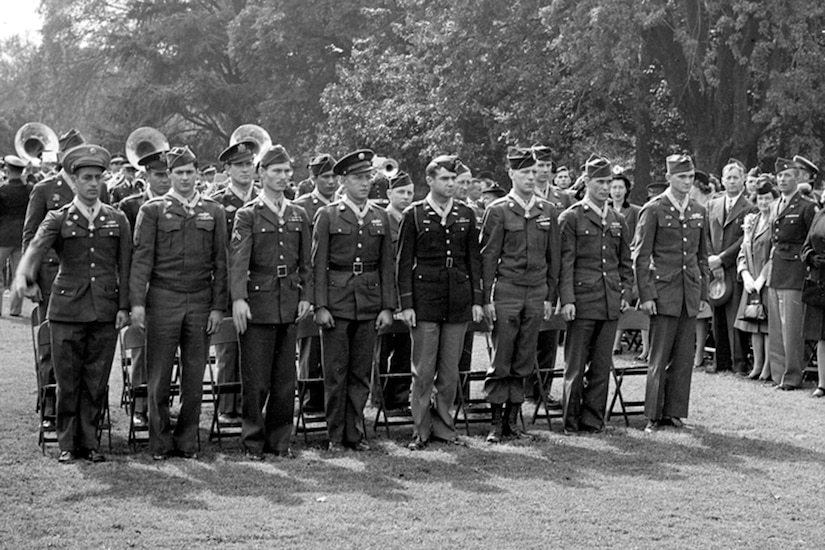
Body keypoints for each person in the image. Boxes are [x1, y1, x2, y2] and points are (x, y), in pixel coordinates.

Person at [13, 144, 131, 463]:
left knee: (96, 381)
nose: (93, 184)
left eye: (98, 178)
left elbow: (126, 266)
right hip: (66, 311)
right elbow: (36, 246)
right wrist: (25, 274)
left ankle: (89, 443)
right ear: (74, 182)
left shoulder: (117, 219)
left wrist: (124, 307)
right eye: (87, 178)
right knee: (67, 380)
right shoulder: (59, 217)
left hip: (105, 310)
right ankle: (67, 443)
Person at [130, 146, 227, 460]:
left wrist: (216, 307)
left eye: (189, 172)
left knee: (194, 375)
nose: (185, 178)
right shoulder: (153, 210)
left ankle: (187, 442)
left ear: (197, 173)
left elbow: (220, 263)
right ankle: (159, 442)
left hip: (200, 300)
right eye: (178, 172)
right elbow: (141, 261)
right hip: (163, 299)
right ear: (169, 175)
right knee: (158, 374)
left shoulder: (214, 211)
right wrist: (138, 304)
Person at [230, 145, 311, 460]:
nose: (283, 177)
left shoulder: (298, 213)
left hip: (288, 302)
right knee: (256, 379)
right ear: (261, 173)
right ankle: (253, 442)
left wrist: (306, 296)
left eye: (287, 171)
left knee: (283, 380)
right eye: (276, 171)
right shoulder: (247, 214)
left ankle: (280, 442)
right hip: (258, 302)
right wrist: (238, 299)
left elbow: (306, 263)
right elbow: (239, 260)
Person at [397, 156, 483, 450]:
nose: (450, 184)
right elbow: (404, 261)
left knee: (449, 371)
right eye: (445, 179)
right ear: (430, 181)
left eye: (453, 179)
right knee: (423, 370)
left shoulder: (466, 214)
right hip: (425, 300)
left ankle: (444, 428)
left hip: (457, 299)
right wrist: (406, 303)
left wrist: (477, 300)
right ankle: (420, 430)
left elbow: (474, 260)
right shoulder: (415, 214)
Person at [312, 149, 396, 452]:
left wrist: (388, 306)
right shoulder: (328, 214)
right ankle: (335, 435)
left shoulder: (380, 216)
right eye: (357, 178)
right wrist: (319, 305)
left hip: (369, 301)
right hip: (337, 301)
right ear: (343, 181)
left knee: (361, 372)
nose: (364, 184)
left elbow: (388, 265)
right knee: (336, 372)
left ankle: (355, 434)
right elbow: (317, 263)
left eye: (367, 178)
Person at [481, 147, 560, 443]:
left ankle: (513, 422)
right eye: (524, 172)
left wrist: (551, 296)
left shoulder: (548, 210)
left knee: (525, 356)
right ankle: (495, 422)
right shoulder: (498, 210)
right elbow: (488, 258)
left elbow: (554, 258)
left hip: (536, 292)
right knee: (502, 356)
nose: (531, 177)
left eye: (534, 171)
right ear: (511, 174)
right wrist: (485, 298)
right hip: (507, 291)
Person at [634, 154, 709, 433]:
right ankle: (654, 415)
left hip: (689, 291)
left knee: (683, 357)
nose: (687, 182)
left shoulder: (699, 210)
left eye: (690, 177)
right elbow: (641, 257)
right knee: (659, 355)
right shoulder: (654, 209)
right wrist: (646, 295)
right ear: (669, 178)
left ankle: (674, 412)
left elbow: (703, 256)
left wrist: (702, 293)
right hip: (663, 291)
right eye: (681, 177)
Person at [559, 155, 633, 433]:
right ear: (587, 182)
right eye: (600, 182)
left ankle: (593, 420)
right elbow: (565, 264)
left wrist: (626, 291)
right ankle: (571, 420)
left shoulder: (617, 219)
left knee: (602, 366)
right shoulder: (572, 217)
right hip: (581, 300)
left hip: (609, 299)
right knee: (575, 367)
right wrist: (566, 299)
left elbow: (625, 260)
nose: (605, 188)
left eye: (609, 182)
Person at [21, 128, 87, 429]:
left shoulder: (95, 186)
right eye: (73, 154)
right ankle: (51, 410)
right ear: (61, 156)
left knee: (84, 346)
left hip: (88, 278)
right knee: (51, 345)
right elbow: (31, 236)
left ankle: (84, 412)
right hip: (51, 277)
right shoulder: (46, 189)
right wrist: (30, 280)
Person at [118, 149, 171, 427]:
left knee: (168, 352)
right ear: (146, 176)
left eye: (167, 174)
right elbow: (125, 256)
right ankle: (139, 406)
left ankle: (161, 404)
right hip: (143, 289)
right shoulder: (130, 206)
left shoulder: (180, 204)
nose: (165, 180)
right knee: (142, 348)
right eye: (159, 175)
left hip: (171, 288)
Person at [211, 140, 260, 424]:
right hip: (230, 284)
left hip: (262, 284)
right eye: (239, 165)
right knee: (229, 347)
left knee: (257, 348)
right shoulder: (219, 203)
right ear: (227, 169)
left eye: (249, 164)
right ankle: (228, 407)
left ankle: (251, 405)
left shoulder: (266, 198)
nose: (245, 170)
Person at [766, 158, 817, 390]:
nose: (782, 179)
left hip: (795, 272)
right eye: (779, 176)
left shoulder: (807, 206)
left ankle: (793, 375)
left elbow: (813, 239)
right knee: (776, 327)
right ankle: (778, 374)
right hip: (777, 269)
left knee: (792, 329)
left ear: (797, 177)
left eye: (787, 175)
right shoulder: (775, 204)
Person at [293, 153, 337, 414]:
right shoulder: (302, 206)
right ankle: (310, 400)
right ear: (313, 178)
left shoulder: (343, 205)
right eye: (325, 177)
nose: (331, 182)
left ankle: (330, 398)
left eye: (334, 176)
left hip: (337, 284)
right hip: (310, 281)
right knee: (310, 345)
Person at [705, 160, 757, 375]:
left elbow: (744, 241)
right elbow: (706, 235)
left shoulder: (750, 207)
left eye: (736, 177)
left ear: (743, 180)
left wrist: (723, 259)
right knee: (717, 314)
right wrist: (711, 259)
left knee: (734, 315)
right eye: (729, 177)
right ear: (722, 180)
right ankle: (721, 360)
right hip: (714, 267)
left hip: (734, 266)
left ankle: (739, 363)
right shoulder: (712, 204)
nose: (732, 181)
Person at [376, 170, 414, 412]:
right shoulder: (382, 219)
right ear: (389, 193)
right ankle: (378, 397)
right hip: (385, 293)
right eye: (401, 192)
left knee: (405, 349)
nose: (406, 197)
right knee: (380, 350)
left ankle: (399, 398)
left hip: (408, 294)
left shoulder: (413, 219)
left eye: (410, 192)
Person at [734, 178, 777, 380]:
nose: (763, 202)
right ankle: (757, 365)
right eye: (760, 198)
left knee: (767, 325)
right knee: (753, 324)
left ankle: (768, 367)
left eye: (767, 198)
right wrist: (745, 274)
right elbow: (743, 250)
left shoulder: (776, 222)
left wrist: (761, 278)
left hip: (767, 280)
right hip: (751, 280)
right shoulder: (751, 221)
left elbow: (774, 254)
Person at [609, 170, 645, 356]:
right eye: (613, 187)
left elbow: (639, 235)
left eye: (620, 187)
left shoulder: (635, 211)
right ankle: (613, 342)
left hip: (627, 257)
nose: (616, 191)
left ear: (626, 190)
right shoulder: (605, 209)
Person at [0, 155, 32, 316]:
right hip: (22, 236)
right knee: (18, 274)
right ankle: (15, 309)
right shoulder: (30, 190)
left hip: (3, 236)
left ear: (7, 169)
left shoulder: (2, 190)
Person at [688, 171, 714, 369]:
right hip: (694, 260)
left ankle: (699, 352)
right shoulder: (688, 205)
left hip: (711, 260)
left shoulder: (708, 204)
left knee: (704, 310)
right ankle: (691, 349)